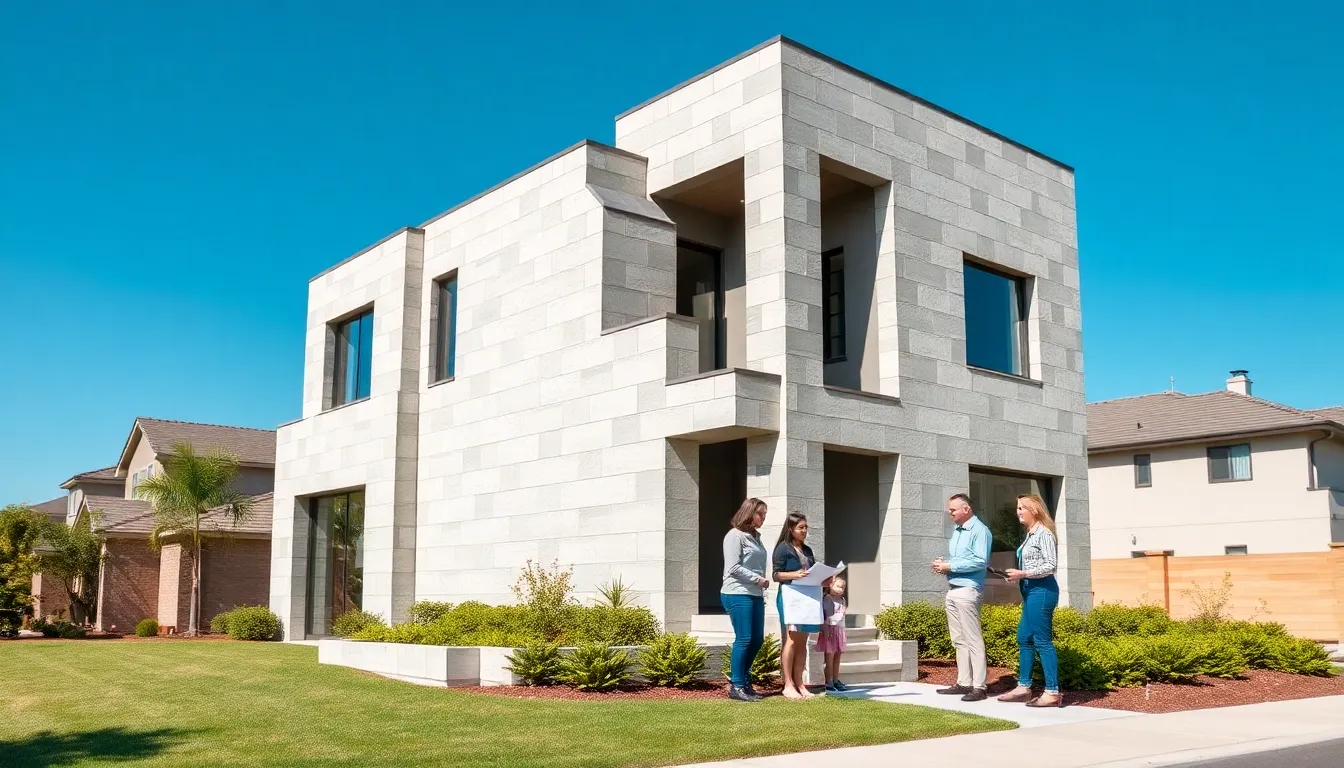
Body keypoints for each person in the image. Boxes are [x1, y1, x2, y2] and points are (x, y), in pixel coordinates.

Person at [997, 494, 1062, 708]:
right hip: (1030, 590)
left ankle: (1052, 692)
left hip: (1042, 591)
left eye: (1021, 508)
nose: (1018, 512)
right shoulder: (1030, 534)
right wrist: (1017, 576)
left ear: (1034, 510)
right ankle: (1024, 688)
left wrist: (1023, 573)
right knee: (1024, 637)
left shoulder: (1043, 533)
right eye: (1017, 508)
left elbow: (1051, 566)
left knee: (1042, 640)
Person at [931, 493, 992, 702]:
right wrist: (945, 564)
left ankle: (979, 686)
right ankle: (964, 682)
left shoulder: (980, 531)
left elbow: (980, 561)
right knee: (958, 640)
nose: (950, 513)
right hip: (953, 588)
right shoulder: (957, 531)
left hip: (969, 590)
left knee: (973, 639)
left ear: (966, 509)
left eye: (953, 509)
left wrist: (950, 566)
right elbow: (961, 559)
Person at [721, 497, 770, 702]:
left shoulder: (756, 538)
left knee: (757, 639)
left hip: (755, 594)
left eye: (765, 514)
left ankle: (743, 678)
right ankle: (737, 685)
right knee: (744, 638)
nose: (763, 518)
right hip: (737, 592)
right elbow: (732, 567)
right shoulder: (735, 536)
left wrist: (759, 585)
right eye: (761, 514)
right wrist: (757, 579)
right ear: (750, 513)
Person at [772, 511, 820, 700]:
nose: (804, 531)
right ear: (790, 529)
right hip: (790, 598)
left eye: (806, 527)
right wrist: (794, 575)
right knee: (791, 640)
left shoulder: (807, 550)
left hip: (808, 599)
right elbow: (776, 575)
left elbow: (812, 571)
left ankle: (800, 683)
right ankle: (788, 684)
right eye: (801, 527)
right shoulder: (783, 549)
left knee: (803, 642)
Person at [818, 575, 848, 692]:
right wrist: (825, 631)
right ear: (831, 585)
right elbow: (825, 617)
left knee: (837, 657)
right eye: (838, 586)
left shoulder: (842, 600)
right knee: (829, 657)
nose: (841, 589)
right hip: (830, 630)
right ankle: (828, 680)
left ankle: (836, 680)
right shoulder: (827, 599)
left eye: (843, 588)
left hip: (839, 631)